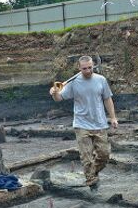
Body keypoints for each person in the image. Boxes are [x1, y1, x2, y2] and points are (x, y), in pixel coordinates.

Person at [49, 56, 118, 192]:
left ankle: (93, 173)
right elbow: (59, 98)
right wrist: (54, 93)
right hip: (81, 124)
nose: (88, 70)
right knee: (86, 157)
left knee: (104, 155)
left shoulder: (101, 80)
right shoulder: (73, 83)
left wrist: (113, 117)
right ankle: (92, 183)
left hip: (99, 123)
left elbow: (107, 99)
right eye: (84, 68)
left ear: (93, 66)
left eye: (90, 67)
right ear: (79, 68)